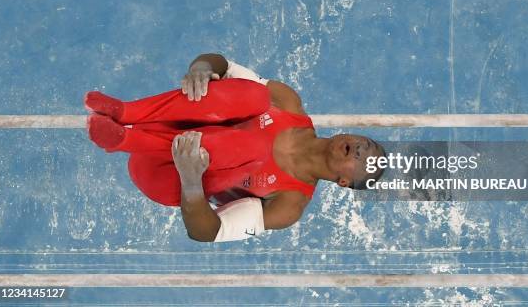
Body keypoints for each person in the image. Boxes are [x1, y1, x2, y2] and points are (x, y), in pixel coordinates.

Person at [84, 53, 386, 242]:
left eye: (363, 159)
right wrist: (202, 68)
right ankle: (124, 113)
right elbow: (222, 64)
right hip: (166, 124)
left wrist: (191, 181)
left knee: (253, 147)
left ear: (344, 182)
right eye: (366, 143)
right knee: (255, 97)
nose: (360, 148)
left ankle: (124, 139)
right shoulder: (288, 102)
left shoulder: (288, 205)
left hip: (166, 176)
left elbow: (206, 232)